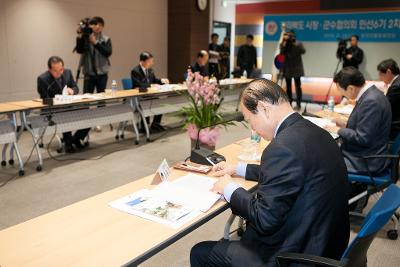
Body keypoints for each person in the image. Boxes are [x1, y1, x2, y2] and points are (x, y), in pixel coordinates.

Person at [191, 79, 350, 266]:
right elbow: (292, 173)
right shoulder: (316, 132)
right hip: (327, 244)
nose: (252, 128)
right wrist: (238, 169)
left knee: (199, 252)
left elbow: (265, 219)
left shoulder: (282, 147)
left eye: (250, 120)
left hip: (294, 254)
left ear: (264, 108)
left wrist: (230, 189)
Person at [325, 67, 391, 210]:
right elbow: (367, 127)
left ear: (350, 88)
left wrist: (339, 130)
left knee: (323, 160)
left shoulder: (371, 101)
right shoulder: (372, 94)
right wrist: (347, 123)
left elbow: (363, 138)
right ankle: (349, 198)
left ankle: (331, 206)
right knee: (328, 152)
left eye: (343, 93)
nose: (344, 97)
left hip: (368, 159)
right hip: (370, 152)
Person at [37, 56, 90, 153]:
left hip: (68, 105)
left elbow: (75, 87)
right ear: (49, 70)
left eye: (61, 69)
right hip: (53, 110)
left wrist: (72, 91)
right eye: (55, 71)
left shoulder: (67, 72)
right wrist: (58, 99)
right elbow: (45, 99)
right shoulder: (42, 79)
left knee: (88, 111)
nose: (59, 73)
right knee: (64, 113)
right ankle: (68, 143)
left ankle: (76, 138)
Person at [75, 16, 112, 132]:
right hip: (88, 73)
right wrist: (80, 37)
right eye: (91, 25)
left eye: (97, 25)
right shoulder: (85, 38)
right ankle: (85, 124)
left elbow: (107, 52)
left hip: (102, 73)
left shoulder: (106, 39)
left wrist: (95, 42)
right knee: (86, 99)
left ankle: (99, 122)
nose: (94, 27)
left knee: (101, 99)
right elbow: (80, 50)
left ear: (101, 26)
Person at [131, 52, 170, 133]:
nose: (152, 63)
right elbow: (137, 84)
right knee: (146, 104)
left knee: (160, 103)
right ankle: (143, 126)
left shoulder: (150, 70)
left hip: (149, 95)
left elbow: (154, 80)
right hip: (140, 96)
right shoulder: (135, 71)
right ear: (142, 61)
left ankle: (156, 124)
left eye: (152, 61)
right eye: (149, 61)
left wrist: (162, 80)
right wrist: (151, 85)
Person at [280, 30, 306, 110]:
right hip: (287, 68)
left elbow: (303, 51)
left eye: (291, 36)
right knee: (288, 87)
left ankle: (298, 104)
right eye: (289, 35)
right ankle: (289, 103)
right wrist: (284, 42)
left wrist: (294, 43)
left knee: (298, 87)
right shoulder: (285, 44)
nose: (290, 37)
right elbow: (281, 53)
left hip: (297, 69)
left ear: (294, 36)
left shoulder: (298, 43)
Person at [377, 59, 400, 140]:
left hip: (394, 127)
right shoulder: (397, 82)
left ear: (388, 72)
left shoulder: (396, 86)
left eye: (381, 74)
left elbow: (385, 105)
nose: (380, 78)